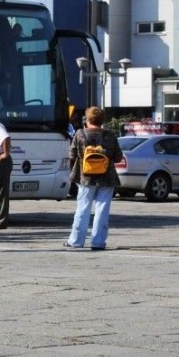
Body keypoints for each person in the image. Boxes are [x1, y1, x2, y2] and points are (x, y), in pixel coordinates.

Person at [65, 106, 123, 251]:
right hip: (107, 177)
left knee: (83, 209)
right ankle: (98, 242)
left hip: (85, 177)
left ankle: (76, 241)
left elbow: (71, 156)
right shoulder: (110, 135)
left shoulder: (79, 134)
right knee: (102, 210)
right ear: (102, 120)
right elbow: (118, 157)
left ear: (87, 119)